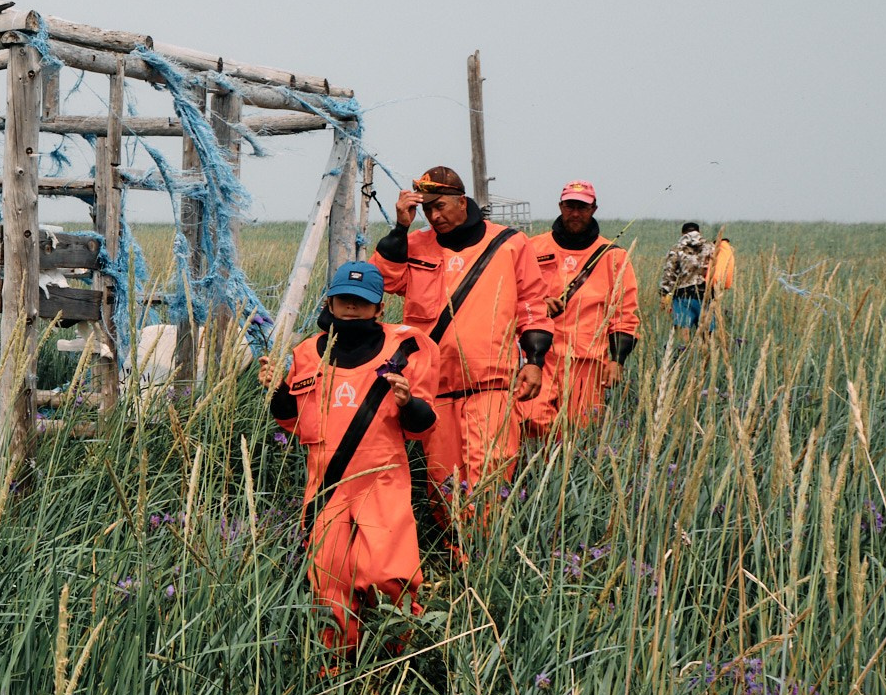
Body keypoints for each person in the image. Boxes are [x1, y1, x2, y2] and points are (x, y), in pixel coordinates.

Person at [260, 260, 439, 650]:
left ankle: (403, 656)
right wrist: (276, 390)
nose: (352, 307)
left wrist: (408, 402)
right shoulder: (306, 354)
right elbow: (291, 422)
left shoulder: (407, 349)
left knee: (390, 575)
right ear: (330, 302)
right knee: (329, 580)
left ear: (379, 307)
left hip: (383, 478)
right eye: (344, 299)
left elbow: (423, 426)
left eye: (361, 301)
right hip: (326, 485)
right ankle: (335, 667)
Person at [373, 167, 552, 540]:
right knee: (442, 479)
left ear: (461, 200)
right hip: (435, 388)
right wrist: (399, 230)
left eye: (439, 206)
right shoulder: (417, 244)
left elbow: (532, 304)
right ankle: (457, 556)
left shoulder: (509, 244)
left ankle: (484, 555)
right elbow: (386, 281)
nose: (434, 216)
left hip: (491, 386)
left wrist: (534, 362)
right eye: (426, 210)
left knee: (490, 471)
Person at [519, 181, 639, 438]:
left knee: (579, 433)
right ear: (560, 206)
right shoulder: (532, 248)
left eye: (582, 207)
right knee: (531, 419)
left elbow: (624, 314)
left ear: (594, 209)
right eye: (570, 206)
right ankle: (534, 472)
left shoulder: (613, 256)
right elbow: (513, 296)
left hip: (587, 361)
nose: (575, 213)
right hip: (540, 356)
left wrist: (617, 360)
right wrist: (539, 304)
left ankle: (564, 475)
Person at [660, 222, 715, 338]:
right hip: (705, 295)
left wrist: (664, 294)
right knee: (707, 334)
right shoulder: (711, 247)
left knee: (683, 331)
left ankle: (684, 353)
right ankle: (706, 354)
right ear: (699, 232)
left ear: (682, 233)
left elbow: (669, 274)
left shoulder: (676, 249)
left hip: (683, 296)